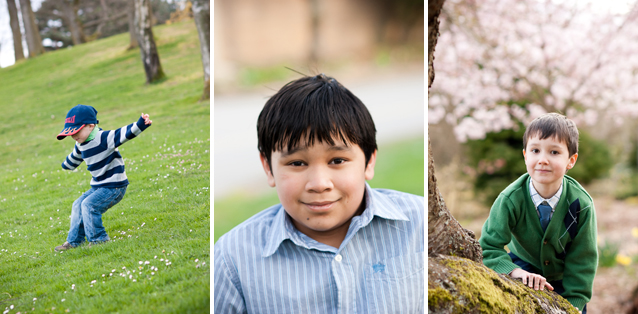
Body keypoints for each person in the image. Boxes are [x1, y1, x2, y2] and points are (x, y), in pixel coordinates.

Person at [214, 74, 424, 313]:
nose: (319, 184)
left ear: (369, 162)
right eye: (296, 163)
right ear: (268, 168)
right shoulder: (233, 258)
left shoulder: (420, 224)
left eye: (337, 160)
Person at [479, 113, 597, 314]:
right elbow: (489, 247)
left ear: (571, 160)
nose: (542, 160)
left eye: (554, 152)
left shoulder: (581, 204)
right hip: (520, 270)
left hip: (564, 279)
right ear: (525, 155)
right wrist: (514, 272)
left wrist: (574, 304)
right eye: (535, 150)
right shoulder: (510, 199)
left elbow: (583, 259)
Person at [54, 104, 152, 252]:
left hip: (115, 186)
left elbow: (123, 134)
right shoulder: (80, 144)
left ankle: (99, 240)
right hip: (99, 186)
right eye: (70, 133)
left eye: (76, 131)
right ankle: (75, 241)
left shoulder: (104, 138)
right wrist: (66, 165)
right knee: (77, 204)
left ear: (90, 126)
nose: (73, 136)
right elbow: (75, 158)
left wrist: (140, 124)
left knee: (89, 205)